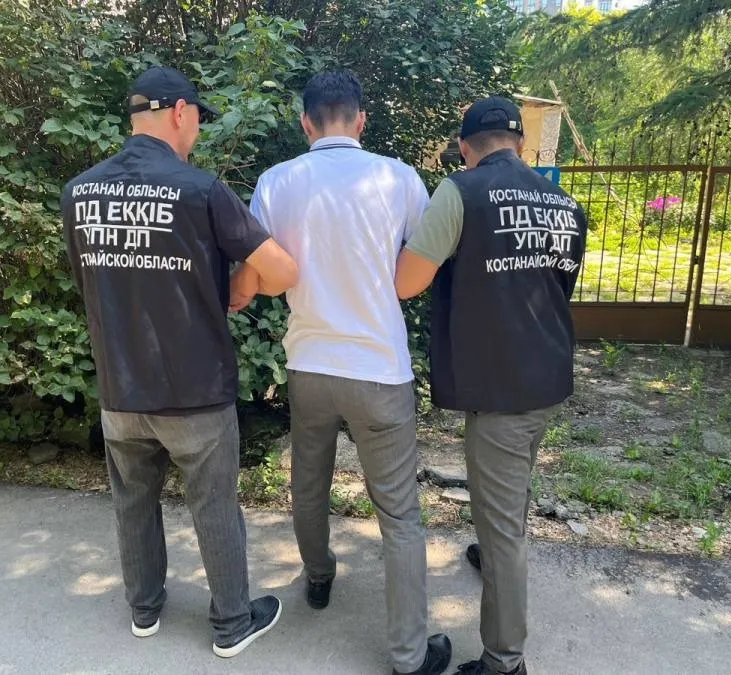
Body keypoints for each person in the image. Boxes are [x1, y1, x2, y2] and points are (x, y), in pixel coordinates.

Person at [60, 66, 298, 659]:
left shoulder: (78, 193)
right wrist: (243, 282)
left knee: (132, 500)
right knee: (213, 505)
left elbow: (91, 281)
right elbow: (283, 271)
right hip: (195, 389)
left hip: (120, 387)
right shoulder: (200, 190)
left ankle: (144, 609)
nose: (196, 133)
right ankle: (232, 623)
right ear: (180, 112)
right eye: (197, 121)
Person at [242, 70, 452, 675]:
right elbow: (418, 267)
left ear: (305, 123)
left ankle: (318, 576)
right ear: (360, 120)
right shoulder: (399, 177)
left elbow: (262, 275)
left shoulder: (276, 182)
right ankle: (409, 656)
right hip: (379, 366)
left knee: (308, 483)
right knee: (400, 514)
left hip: (309, 362)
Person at [394, 97, 587, 675]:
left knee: (501, 525)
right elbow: (558, 285)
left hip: (500, 385)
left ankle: (505, 660)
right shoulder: (564, 203)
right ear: (521, 144)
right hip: (547, 372)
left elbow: (407, 282)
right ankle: (495, 555)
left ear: (464, 147)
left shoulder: (461, 192)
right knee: (512, 492)